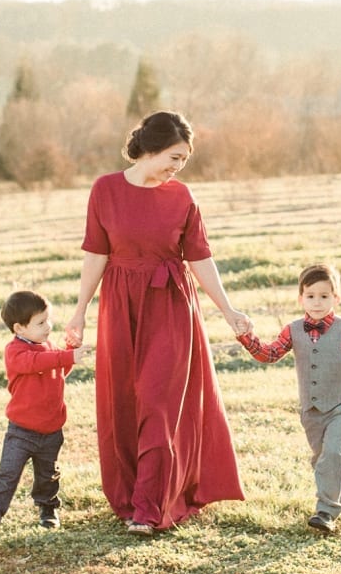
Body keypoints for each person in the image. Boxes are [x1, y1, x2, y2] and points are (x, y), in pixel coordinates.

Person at [65, 111, 249, 536]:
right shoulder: (105, 190)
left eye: (183, 160)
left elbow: (200, 258)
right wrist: (80, 310)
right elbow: (96, 253)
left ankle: (150, 507)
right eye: (173, 157)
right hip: (120, 305)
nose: (177, 167)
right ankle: (132, 496)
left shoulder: (183, 198)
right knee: (126, 403)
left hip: (169, 307)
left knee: (159, 403)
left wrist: (228, 309)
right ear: (149, 149)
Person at [235, 263, 341, 534]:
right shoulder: (292, 330)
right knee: (321, 459)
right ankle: (337, 497)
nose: (317, 302)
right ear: (300, 298)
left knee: (333, 454)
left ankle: (325, 511)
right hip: (310, 410)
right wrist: (247, 336)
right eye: (311, 295)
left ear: (336, 299)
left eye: (324, 296)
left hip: (340, 404)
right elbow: (268, 354)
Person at [0, 290, 91, 539]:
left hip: (51, 429)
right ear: (19, 328)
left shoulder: (49, 348)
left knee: (48, 475)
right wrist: (65, 356)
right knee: (8, 472)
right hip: (21, 431)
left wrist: (69, 350)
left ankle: (48, 510)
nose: (49, 326)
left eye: (49, 320)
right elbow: (35, 363)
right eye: (41, 323)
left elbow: (58, 369)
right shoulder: (15, 351)